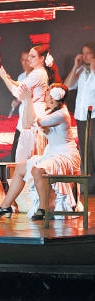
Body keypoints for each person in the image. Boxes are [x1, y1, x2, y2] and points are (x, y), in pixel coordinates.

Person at [0, 83, 81, 220]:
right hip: (52, 155)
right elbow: (27, 124)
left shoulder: (61, 114)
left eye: (48, 93)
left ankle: (43, 209)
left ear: (54, 98)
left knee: (38, 170)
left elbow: (34, 121)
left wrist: (28, 99)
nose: (46, 96)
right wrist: (28, 101)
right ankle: (5, 206)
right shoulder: (50, 112)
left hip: (65, 156)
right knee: (21, 168)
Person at [0, 44, 60, 162]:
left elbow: (18, 93)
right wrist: (8, 79)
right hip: (33, 115)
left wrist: (4, 77)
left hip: (33, 116)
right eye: (29, 56)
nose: (29, 59)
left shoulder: (37, 74)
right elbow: (21, 84)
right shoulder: (40, 72)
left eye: (32, 56)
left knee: (27, 158)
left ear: (42, 59)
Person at [64, 41, 95, 193]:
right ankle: (89, 187)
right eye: (83, 53)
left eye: (88, 53)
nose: (85, 56)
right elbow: (67, 85)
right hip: (82, 116)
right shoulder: (82, 70)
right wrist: (75, 66)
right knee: (86, 150)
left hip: (93, 115)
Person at [9, 50, 33, 161]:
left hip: (31, 123)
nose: (24, 63)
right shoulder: (21, 76)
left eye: (27, 60)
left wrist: (6, 79)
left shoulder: (37, 77)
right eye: (22, 60)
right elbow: (20, 94)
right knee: (15, 155)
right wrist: (17, 101)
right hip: (21, 123)